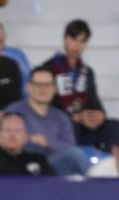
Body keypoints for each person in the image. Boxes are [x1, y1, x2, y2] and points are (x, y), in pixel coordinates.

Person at [42, 19, 119, 151]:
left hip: (85, 126)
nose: (77, 45)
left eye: (82, 41)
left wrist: (99, 115)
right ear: (65, 39)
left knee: (114, 126)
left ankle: (109, 166)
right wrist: (74, 118)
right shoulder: (48, 69)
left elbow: (96, 103)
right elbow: (45, 108)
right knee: (72, 127)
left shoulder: (87, 72)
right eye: (74, 39)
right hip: (61, 126)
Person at [4, 66, 89, 175]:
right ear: (28, 87)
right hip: (24, 166)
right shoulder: (14, 112)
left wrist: (48, 142)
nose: (43, 89)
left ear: (54, 89)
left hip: (55, 166)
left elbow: (70, 148)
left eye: (47, 85)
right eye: (38, 85)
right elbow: (9, 142)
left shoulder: (61, 117)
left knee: (76, 160)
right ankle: (99, 186)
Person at [0, 112, 54, 176]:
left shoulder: (38, 160)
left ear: (26, 136)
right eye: (7, 130)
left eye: (18, 131)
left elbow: (55, 187)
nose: (12, 135)